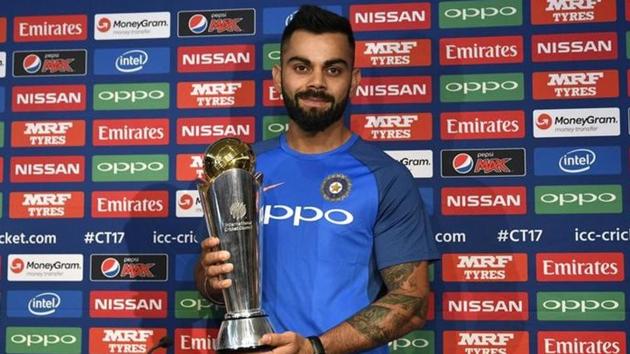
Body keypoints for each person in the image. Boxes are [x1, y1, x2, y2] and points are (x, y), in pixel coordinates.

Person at [195, 5, 439, 354]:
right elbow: (212, 283)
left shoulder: (385, 176)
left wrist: (313, 348)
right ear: (278, 76)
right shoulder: (242, 171)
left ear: (353, 79)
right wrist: (210, 279)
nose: (317, 83)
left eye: (333, 69)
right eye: (301, 67)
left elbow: (412, 304)